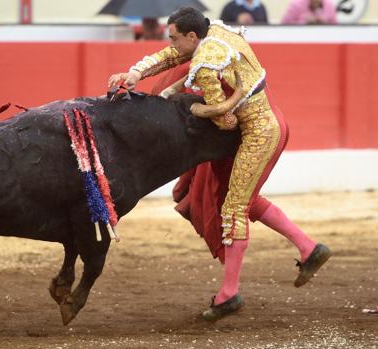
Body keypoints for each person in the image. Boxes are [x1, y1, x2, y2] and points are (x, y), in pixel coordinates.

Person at [107, 7, 330, 321]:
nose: (170, 43)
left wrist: (193, 108)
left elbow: (224, 120)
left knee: (234, 206)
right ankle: (308, 248)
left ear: (192, 35)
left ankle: (229, 294)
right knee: (241, 200)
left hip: (258, 133)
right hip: (262, 122)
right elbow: (173, 56)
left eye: (174, 37)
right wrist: (137, 73)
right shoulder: (216, 32)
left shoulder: (205, 64)